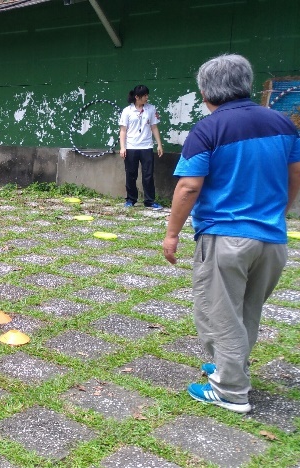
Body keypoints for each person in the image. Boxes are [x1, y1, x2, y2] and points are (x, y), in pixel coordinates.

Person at [163, 54, 300, 414]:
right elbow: (295, 175)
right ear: (246, 84)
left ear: (206, 91)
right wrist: (281, 213)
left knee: (220, 312)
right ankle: (230, 365)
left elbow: (188, 188)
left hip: (226, 237)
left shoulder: (208, 129)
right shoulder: (282, 124)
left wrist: (172, 233)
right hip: (272, 239)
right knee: (246, 310)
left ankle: (230, 390)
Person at [119, 85, 164, 209]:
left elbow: (154, 127)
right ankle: (131, 199)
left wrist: (159, 144)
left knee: (148, 175)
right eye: (144, 95)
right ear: (137, 97)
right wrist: (122, 147)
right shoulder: (127, 111)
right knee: (131, 174)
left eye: (147, 95)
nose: (147, 97)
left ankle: (149, 201)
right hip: (131, 147)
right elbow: (123, 130)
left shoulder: (151, 109)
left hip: (147, 146)